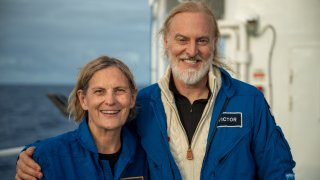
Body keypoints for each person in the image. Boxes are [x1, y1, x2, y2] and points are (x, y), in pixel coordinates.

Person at [16, 1, 295, 180]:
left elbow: (277, 170)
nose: (191, 50)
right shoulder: (143, 104)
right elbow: (99, 142)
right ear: (165, 42)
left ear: (214, 43)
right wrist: (33, 156)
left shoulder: (249, 101)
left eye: (202, 40)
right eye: (182, 39)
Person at [15, 56, 148, 180]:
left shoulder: (148, 155)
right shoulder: (46, 158)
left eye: (119, 90)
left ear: (132, 98)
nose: (110, 101)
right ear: (83, 100)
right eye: (99, 91)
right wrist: (32, 154)